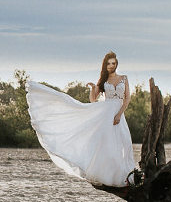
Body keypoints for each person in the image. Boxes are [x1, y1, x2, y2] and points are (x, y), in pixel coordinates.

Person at [26, 51, 135, 187]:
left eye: (113, 63)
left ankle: (125, 176)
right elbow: (93, 100)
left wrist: (119, 114)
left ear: (116, 64)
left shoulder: (124, 78)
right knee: (108, 145)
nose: (111, 66)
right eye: (108, 63)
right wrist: (93, 88)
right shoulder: (104, 80)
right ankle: (110, 176)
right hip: (105, 114)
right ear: (105, 65)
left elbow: (127, 98)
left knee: (124, 142)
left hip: (118, 113)